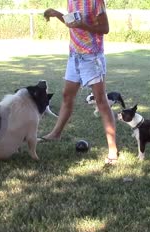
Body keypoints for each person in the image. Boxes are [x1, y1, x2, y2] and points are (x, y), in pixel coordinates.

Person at [41, 0, 118, 165]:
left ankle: (112, 150)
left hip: (92, 57)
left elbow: (105, 29)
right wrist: (57, 14)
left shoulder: (96, 2)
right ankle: (56, 134)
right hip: (74, 55)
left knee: (101, 101)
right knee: (67, 96)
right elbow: (73, 23)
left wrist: (84, 25)